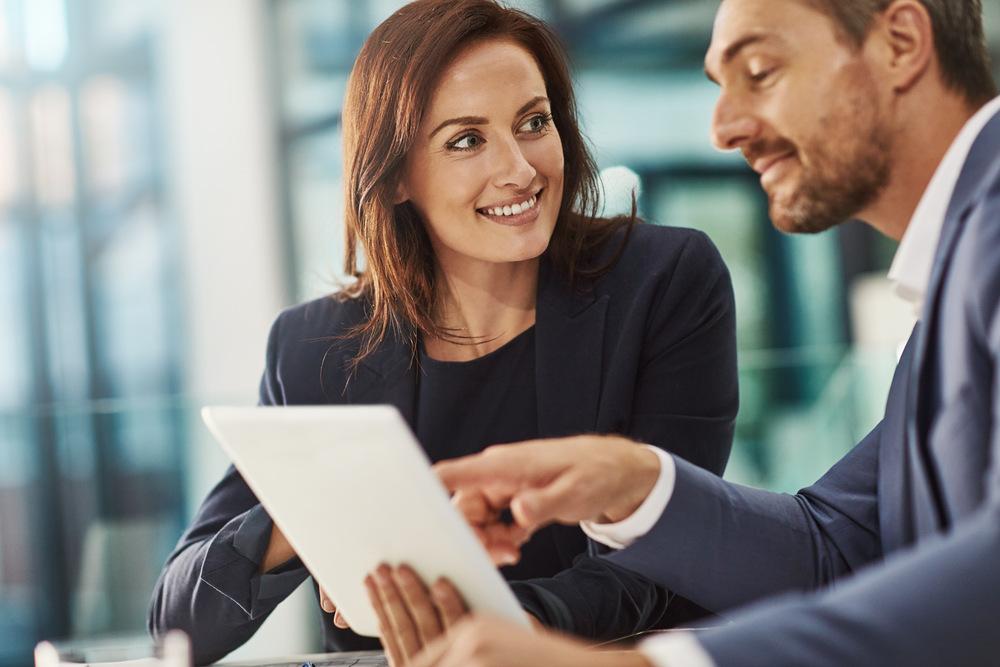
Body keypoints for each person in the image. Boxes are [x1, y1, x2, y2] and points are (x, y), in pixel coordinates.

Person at [364, 0, 1000, 665]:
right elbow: (834, 548)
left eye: (760, 71)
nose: (724, 127)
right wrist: (634, 483)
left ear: (900, 43)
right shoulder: (955, 278)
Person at [146, 1, 740, 664]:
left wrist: (497, 629)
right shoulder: (315, 347)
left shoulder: (664, 282)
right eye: (467, 140)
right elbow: (179, 619)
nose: (519, 168)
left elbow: (663, 559)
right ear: (397, 175)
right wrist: (314, 516)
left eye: (533, 122)